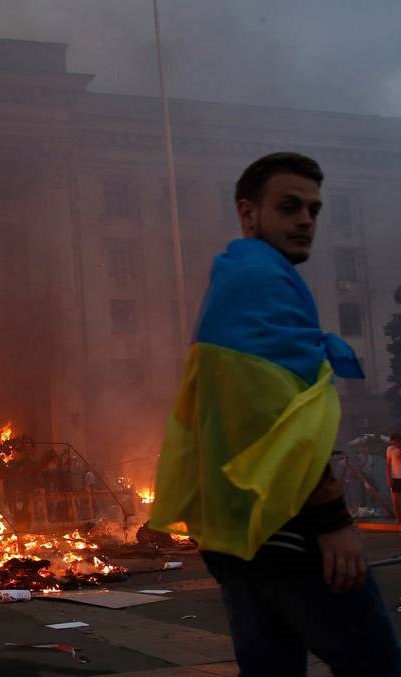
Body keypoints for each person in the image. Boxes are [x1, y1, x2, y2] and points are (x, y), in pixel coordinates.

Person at [149, 152, 401, 676]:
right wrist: (331, 520)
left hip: (239, 531)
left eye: (313, 209)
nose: (306, 220)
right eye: (289, 207)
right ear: (248, 213)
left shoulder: (238, 278)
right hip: (286, 527)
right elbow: (275, 417)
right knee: (375, 663)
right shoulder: (262, 281)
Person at [388, 433, 401, 524]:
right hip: (395, 478)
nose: (393, 444)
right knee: (395, 501)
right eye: (392, 443)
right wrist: (388, 477)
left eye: (395, 442)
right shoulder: (390, 449)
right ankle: (399, 520)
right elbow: (388, 464)